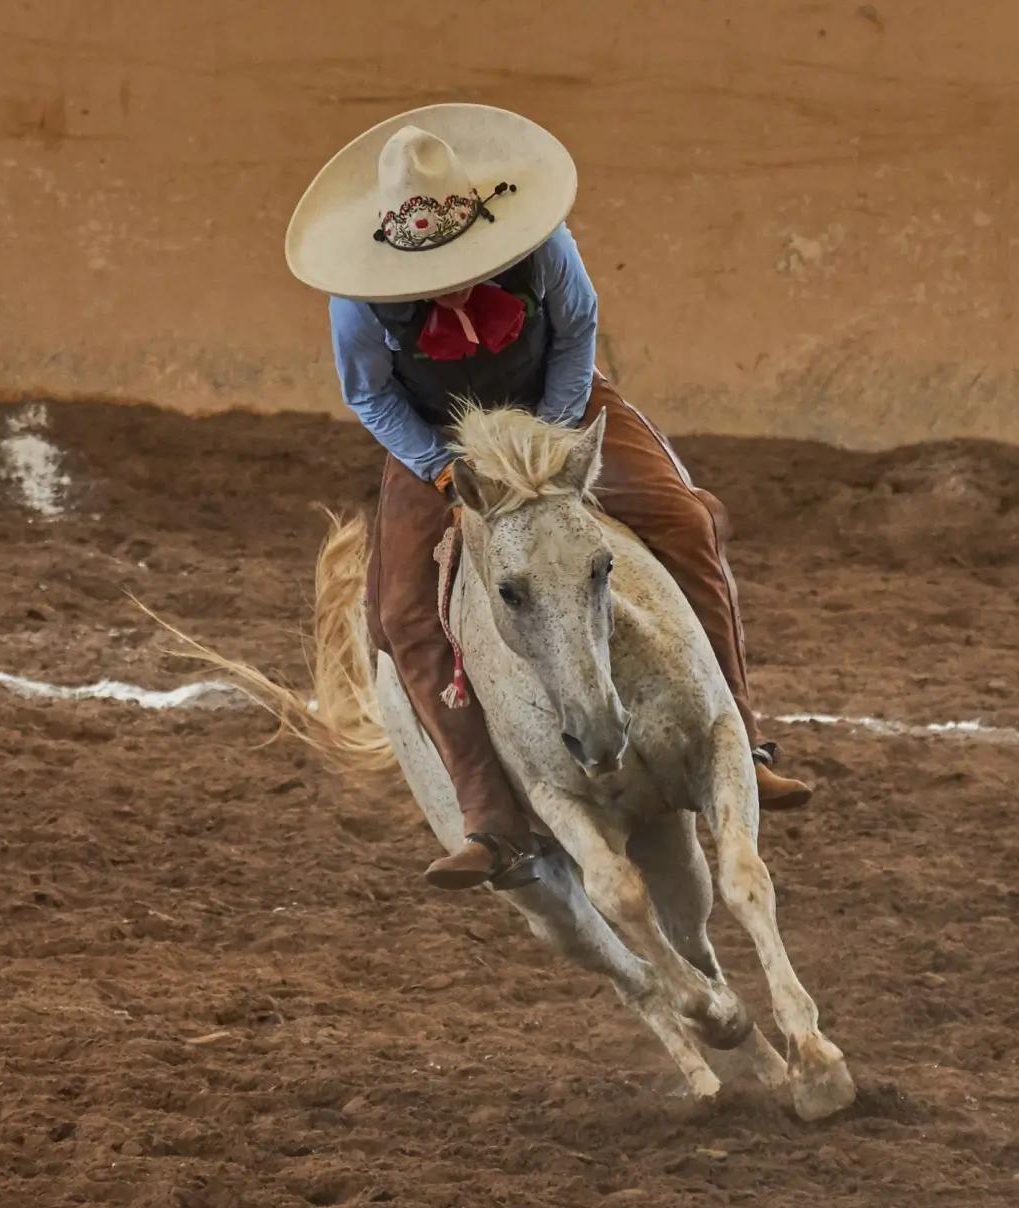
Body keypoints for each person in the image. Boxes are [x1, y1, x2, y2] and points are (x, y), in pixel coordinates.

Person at [283, 104, 811, 891]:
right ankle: (492, 818)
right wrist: (439, 469)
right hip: (441, 441)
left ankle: (742, 739)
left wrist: (555, 444)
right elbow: (372, 398)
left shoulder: (541, 246)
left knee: (684, 520)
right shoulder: (358, 303)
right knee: (399, 616)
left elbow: (577, 331)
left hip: (557, 406)